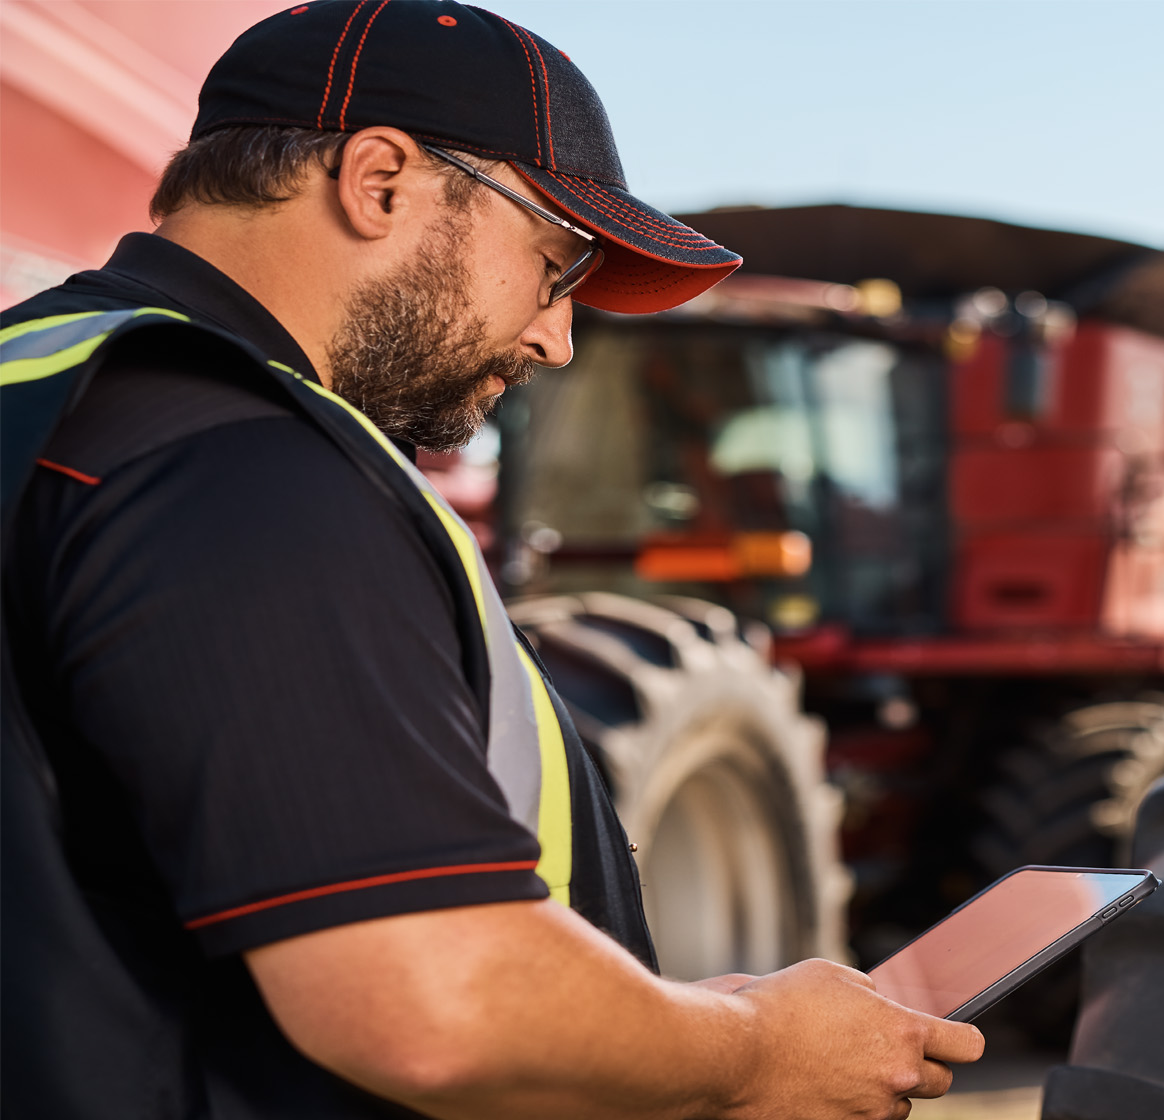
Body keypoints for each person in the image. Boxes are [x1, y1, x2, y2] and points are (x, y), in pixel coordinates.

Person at [0, 3, 980, 1117]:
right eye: (556, 265)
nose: (556, 338)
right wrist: (751, 1052)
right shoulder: (244, 465)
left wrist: (643, 1024)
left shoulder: (47, 392)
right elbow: (432, 1003)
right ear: (379, 182)